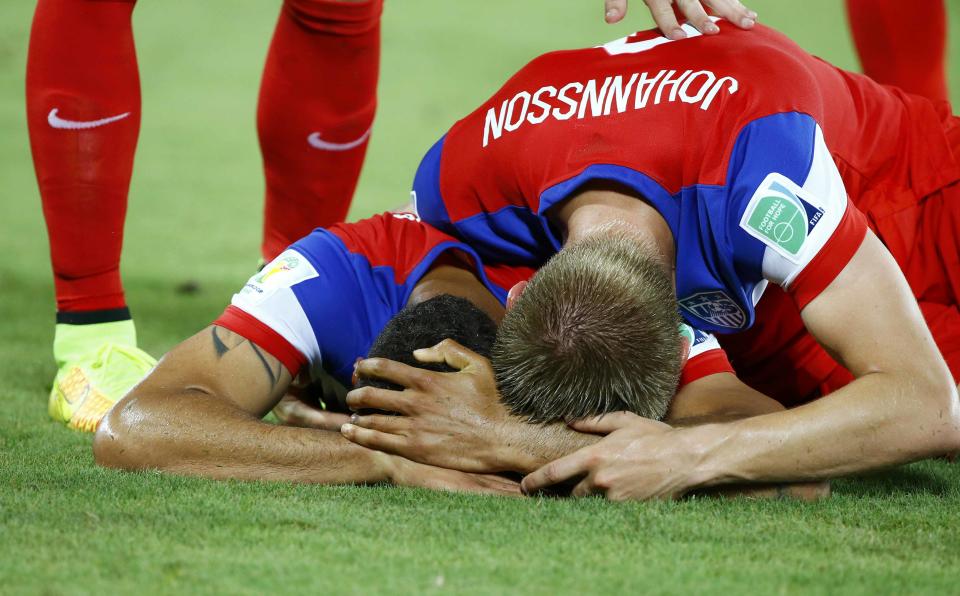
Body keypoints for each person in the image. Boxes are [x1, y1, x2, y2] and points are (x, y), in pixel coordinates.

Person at [339, 19, 960, 499]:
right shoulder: (457, 178)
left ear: (685, 336)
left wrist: (680, 456)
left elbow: (930, 409)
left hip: (922, 191)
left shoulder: (757, 171)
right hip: (784, 322)